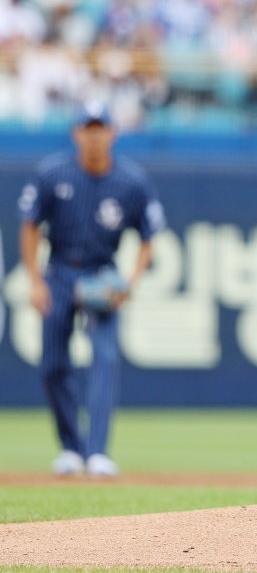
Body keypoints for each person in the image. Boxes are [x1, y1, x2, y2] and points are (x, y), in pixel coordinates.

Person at [18, 100, 164, 477]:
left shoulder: (131, 182)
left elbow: (150, 236)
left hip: (103, 274)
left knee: (105, 359)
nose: (95, 136)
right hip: (61, 272)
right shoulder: (52, 174)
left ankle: (97, 452)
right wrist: (35, 280)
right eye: (88, 128)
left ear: (113, 133)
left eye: (101, 128)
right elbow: (30, 225)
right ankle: (72, 448)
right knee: (52, 365)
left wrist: (129, 282)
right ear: (76, 133)